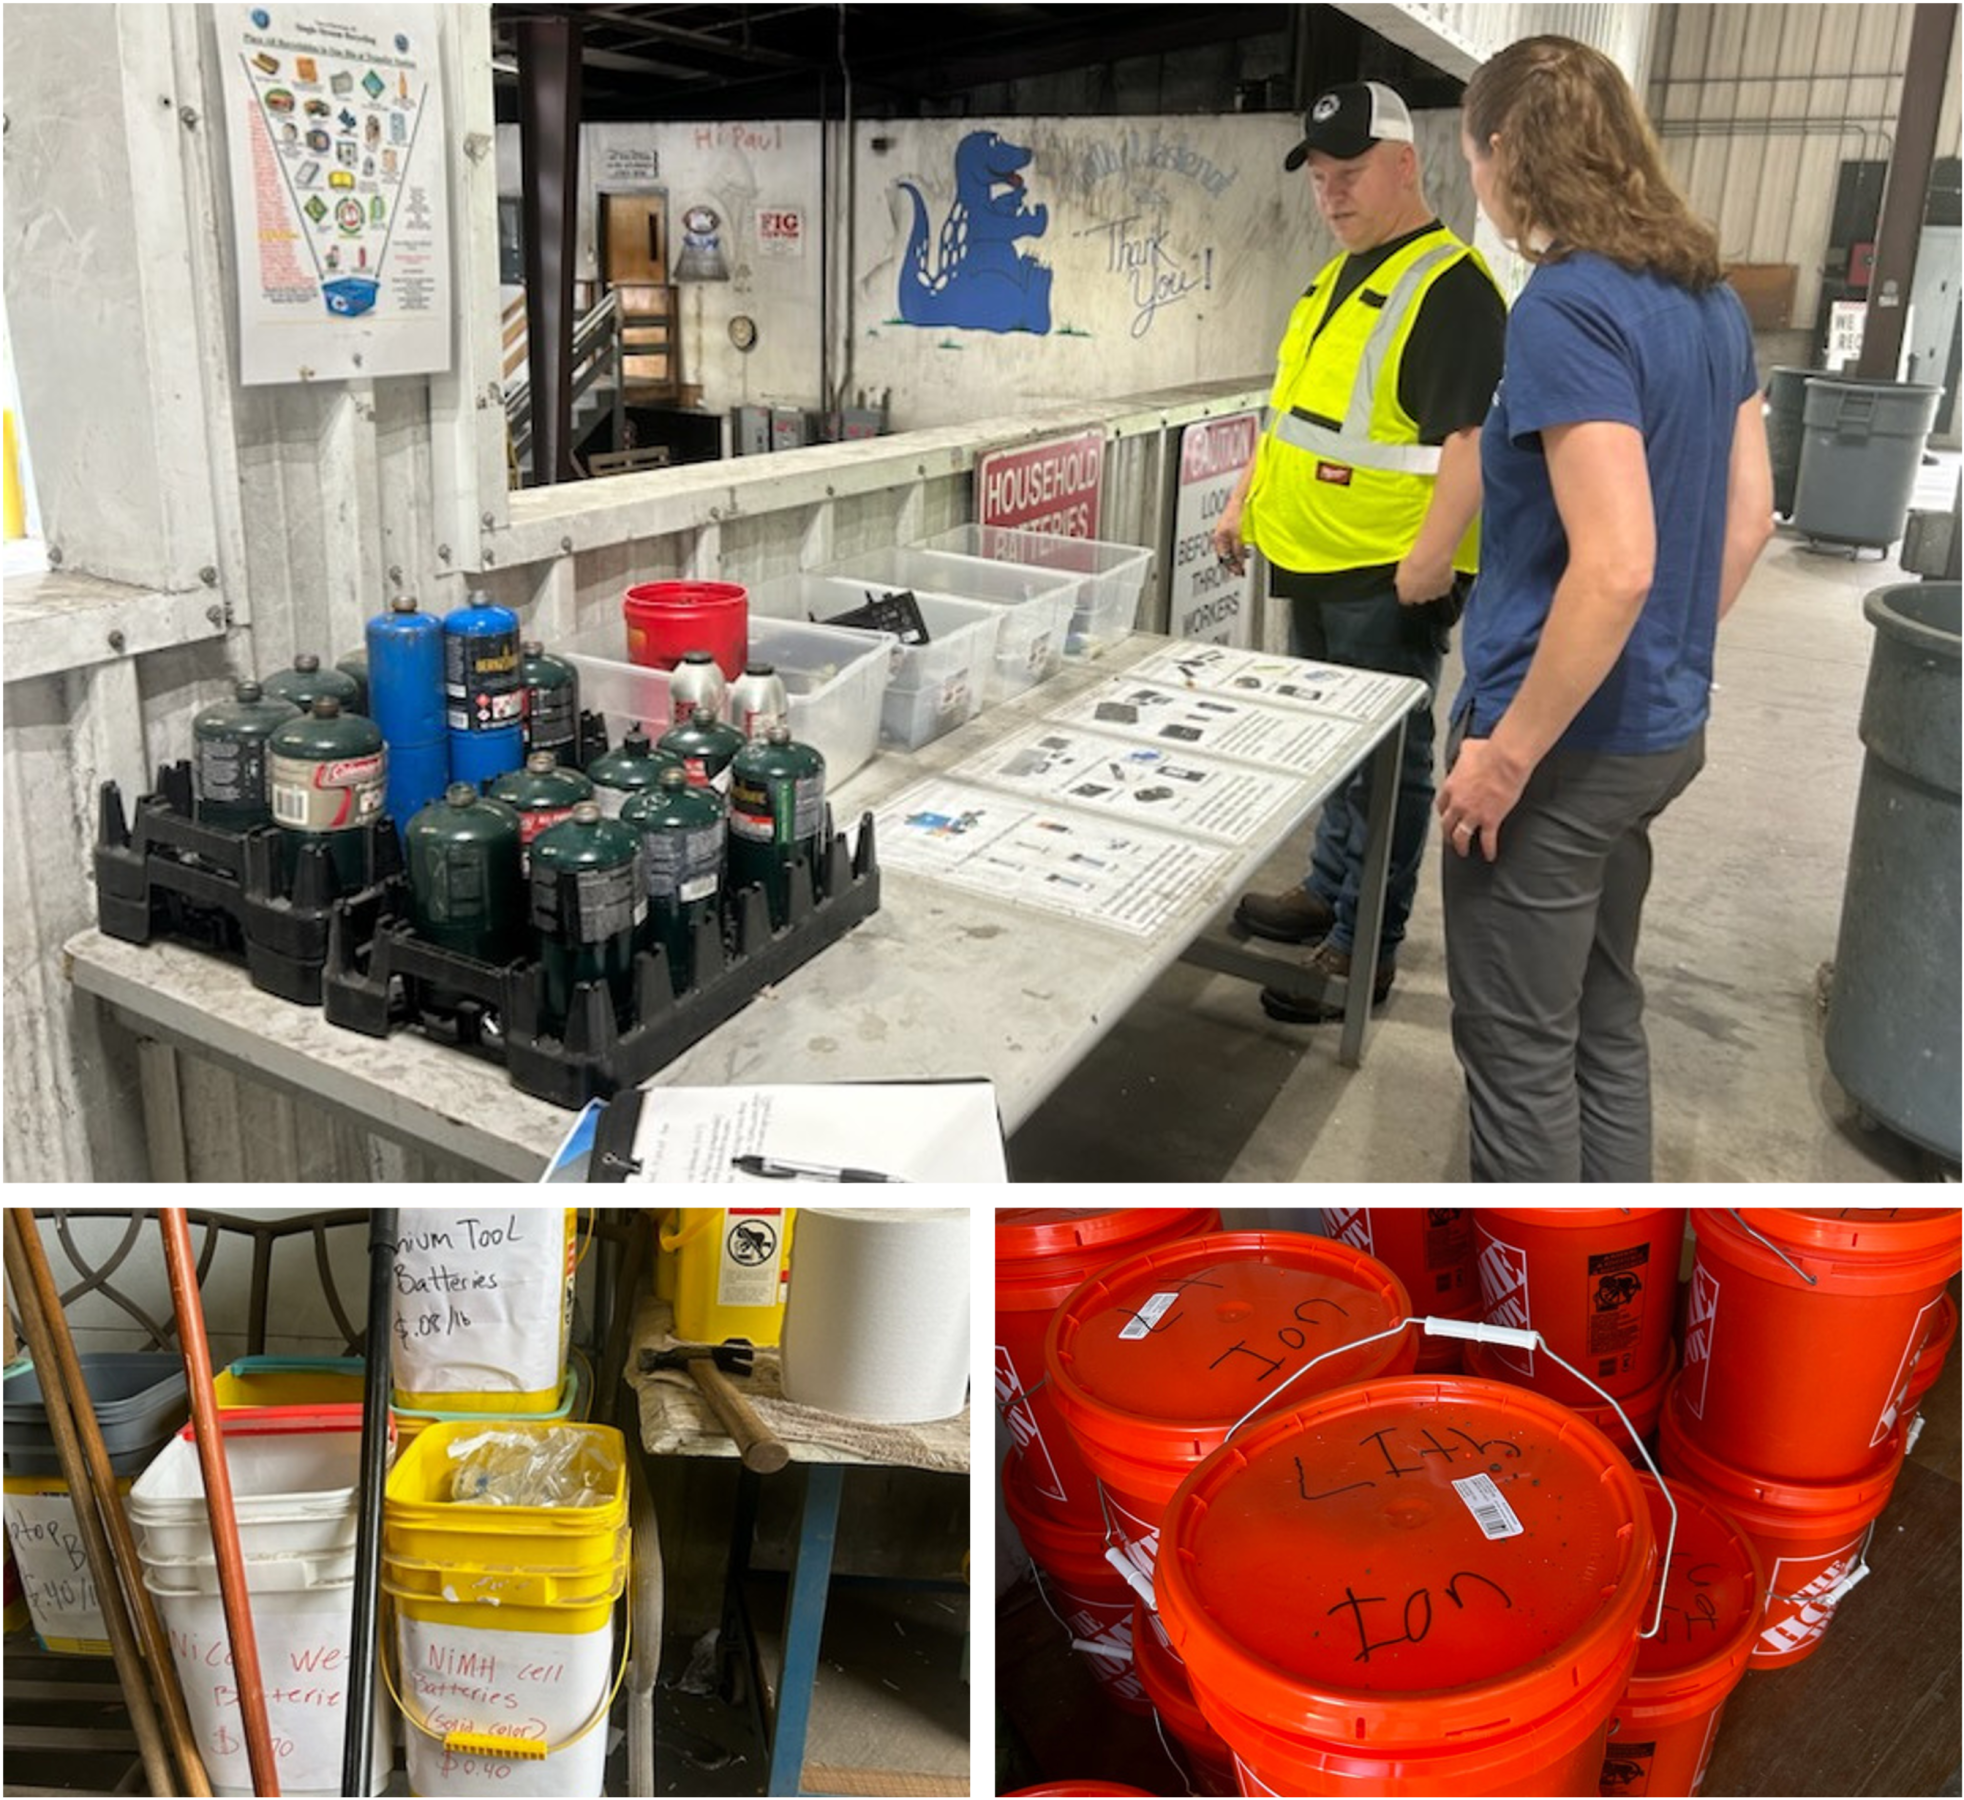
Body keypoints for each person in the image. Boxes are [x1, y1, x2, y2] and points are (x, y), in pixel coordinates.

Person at [1437, 35, 1775, 1183]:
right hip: (1654, 731)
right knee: (1598, 1011)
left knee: (1516, 1047)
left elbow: (1617, 561)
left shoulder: (1564, 309)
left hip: (1555, 745)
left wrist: (1503, 754)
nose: (1475, 184)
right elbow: (1749, 519)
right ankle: (1602, 1277)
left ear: (1502, 155)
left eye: (1471, 157)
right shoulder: (1710, 301)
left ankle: (1538, 1335)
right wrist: (1669, 661)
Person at [1216, 81, 1507, 1024]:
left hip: (1386, 572)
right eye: (1321, 178)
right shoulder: (1330, 280)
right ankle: (1327, 889)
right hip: (1309, 555)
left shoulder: (1452, 286)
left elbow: (1470, 443)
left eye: (1351, 174)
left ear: (1406, 164)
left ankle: (1366, 943)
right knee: (1333, 749)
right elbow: (1292, 414)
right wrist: (1240, 501)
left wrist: (1432, 560)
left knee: (1391, 763)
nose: (1333, 194)